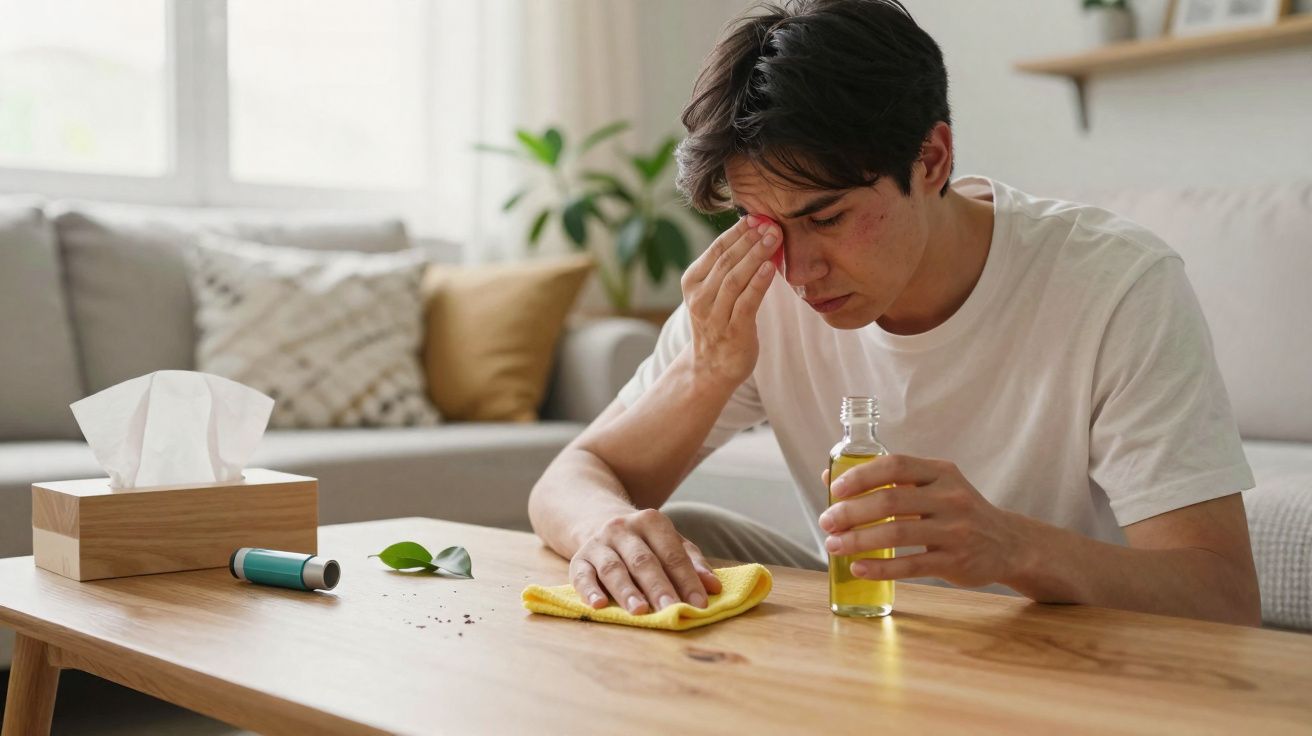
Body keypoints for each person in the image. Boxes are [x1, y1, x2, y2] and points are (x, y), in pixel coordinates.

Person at [527, 0, 1261, 625]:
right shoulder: (759, 283)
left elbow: (1224, 596)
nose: (798, 269)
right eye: (761, 222)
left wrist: (1013, 547)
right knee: (661, 543)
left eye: (829, 216)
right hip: (871, 634)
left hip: (1064, 642)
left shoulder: (1116, 285)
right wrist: (705, 375)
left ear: (932, 160)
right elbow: (571, 478)